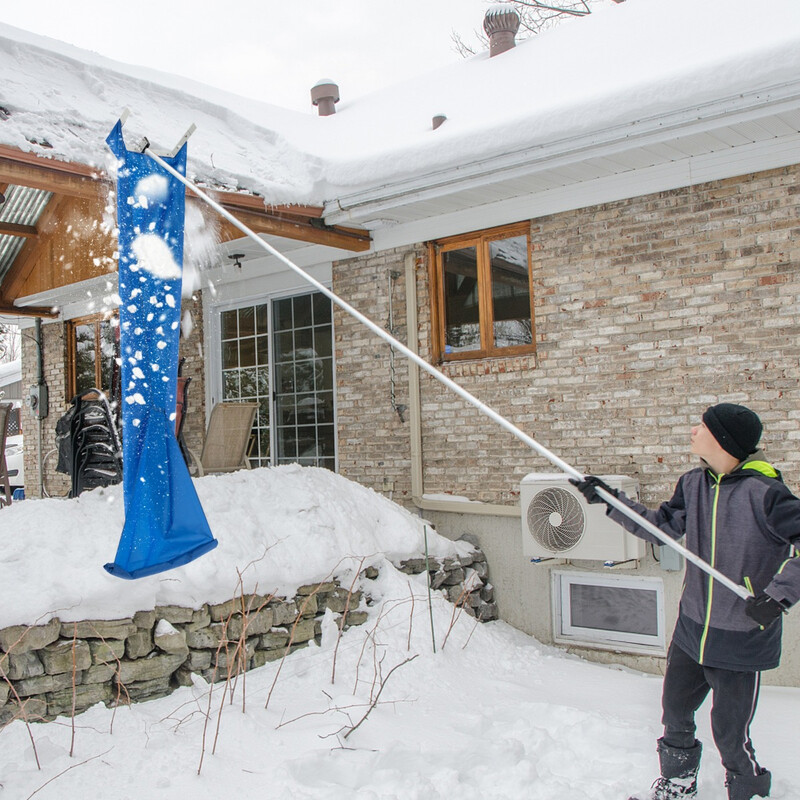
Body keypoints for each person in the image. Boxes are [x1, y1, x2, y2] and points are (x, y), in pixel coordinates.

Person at [572, 403, 800, 800]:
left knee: (730, 733)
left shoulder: (767, 495)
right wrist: (611, 500)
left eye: (703, 426)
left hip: (741, 635)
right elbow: (661, 528)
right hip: (693, 628)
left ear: (724, 441)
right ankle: (677, 784)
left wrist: (778, 596)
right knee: (675, 713)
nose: (694, 431)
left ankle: (748, 791)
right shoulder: (694, 483)